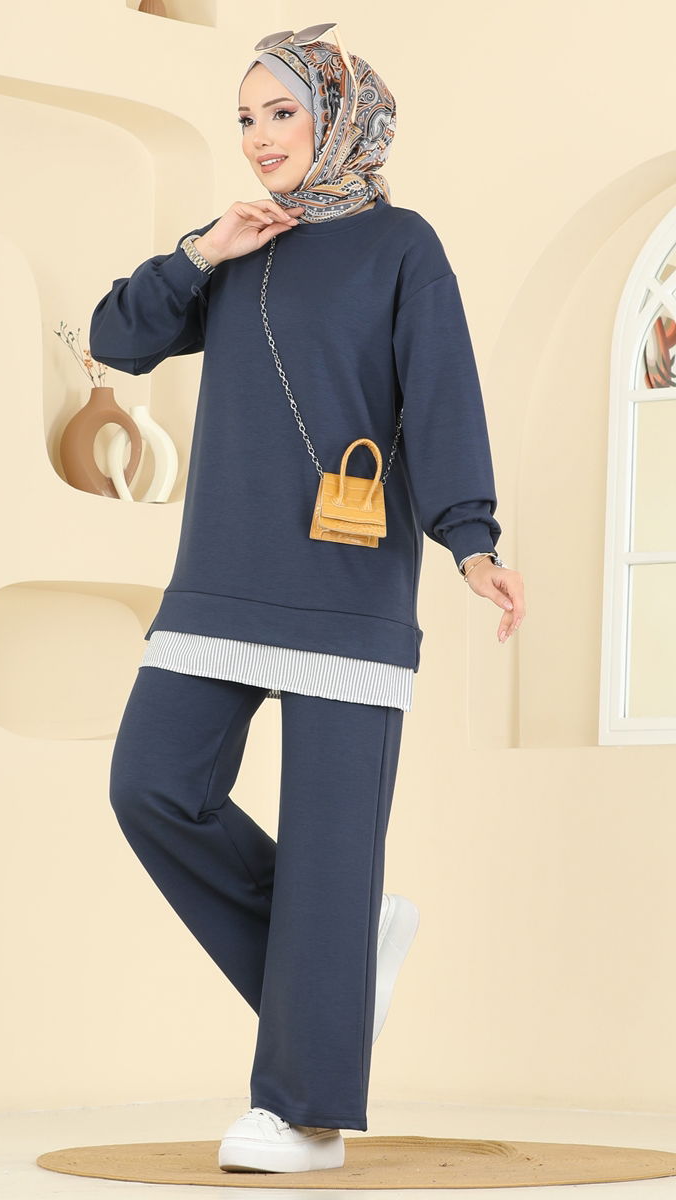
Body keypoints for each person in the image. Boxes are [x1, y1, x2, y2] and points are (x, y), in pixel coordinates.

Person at [89, 23, 526, 1175]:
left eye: (280, 112)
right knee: (151, 788)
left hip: (346, 589)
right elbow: (115, 339)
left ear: (337, 116)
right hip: (219, 583)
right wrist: (201, 248)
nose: (258, 137)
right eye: (244, 118)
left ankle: (301, 1112)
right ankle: (339, 957)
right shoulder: (238, 243)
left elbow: (440, 394)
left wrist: (470, 542)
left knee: (333, 853)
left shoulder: (401, 246)